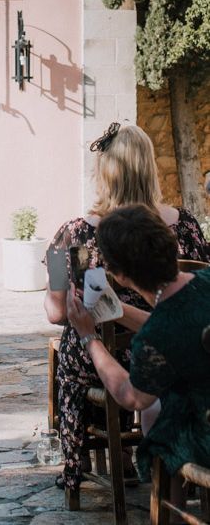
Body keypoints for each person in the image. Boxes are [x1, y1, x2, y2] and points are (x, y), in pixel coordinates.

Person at [44, 122, 209, 492]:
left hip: (119, 356)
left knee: (70, 359)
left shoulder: (70, 233)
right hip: (178, 351)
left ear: (102, 173)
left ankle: (80, 462)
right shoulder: (186, 225)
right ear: (150, 168)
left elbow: (56, 313)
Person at [66, 203, 210, 513]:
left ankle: (170, 513)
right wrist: (115, 308)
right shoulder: (204, 283)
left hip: (205, 434)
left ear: (119, 274)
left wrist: (89, 337)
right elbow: (174, 325)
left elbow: (132, 397)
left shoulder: (154, 336)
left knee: (162, 426)